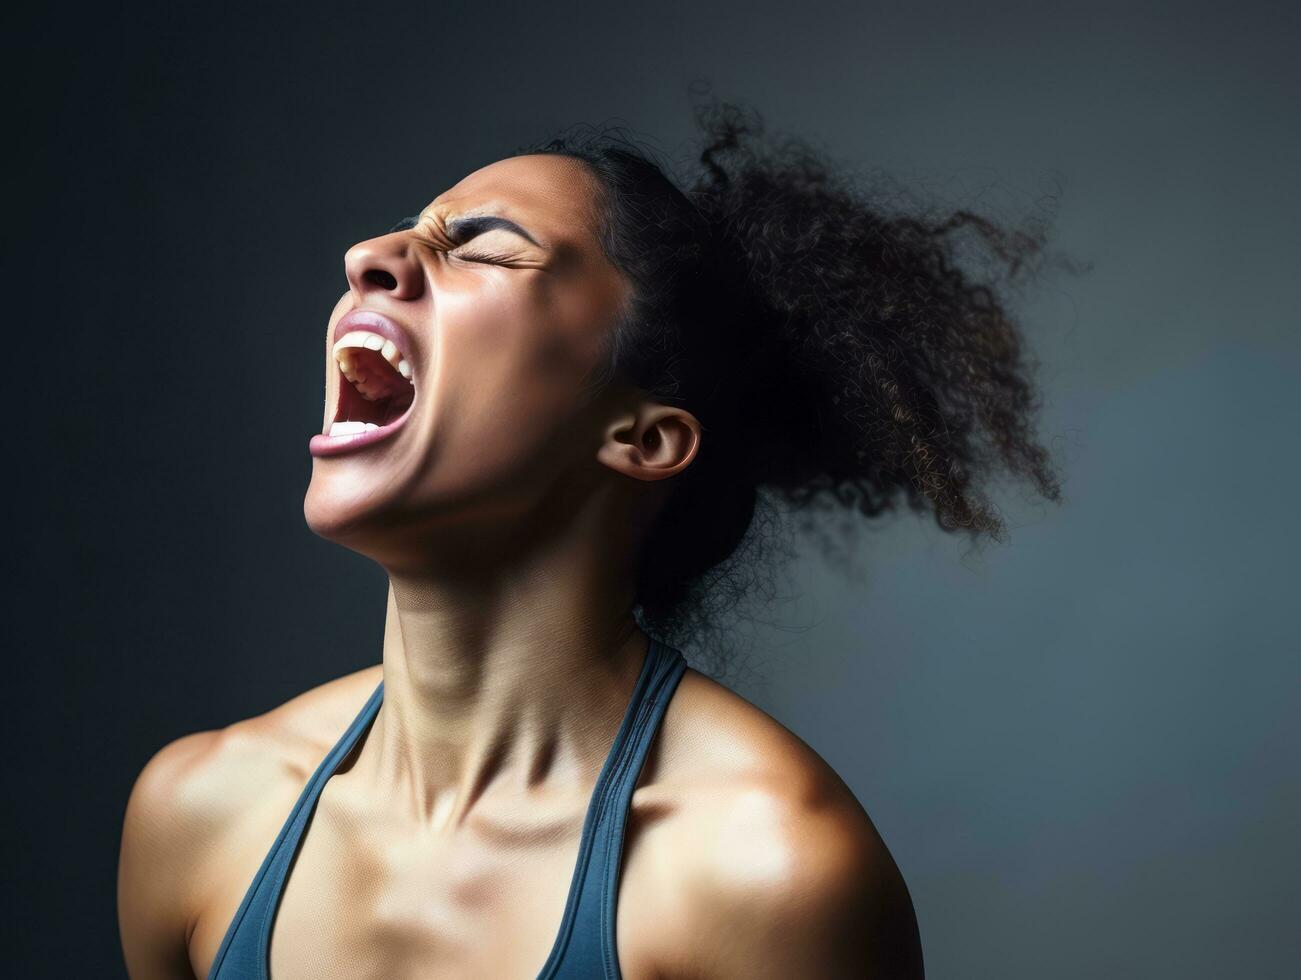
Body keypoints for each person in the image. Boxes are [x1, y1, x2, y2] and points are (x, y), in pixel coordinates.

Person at [118, 101, 1061, 979]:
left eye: (481, 248)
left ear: (640, 438)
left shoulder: (765, 872)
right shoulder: (203, 811)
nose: (371, 255)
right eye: (404, 234)